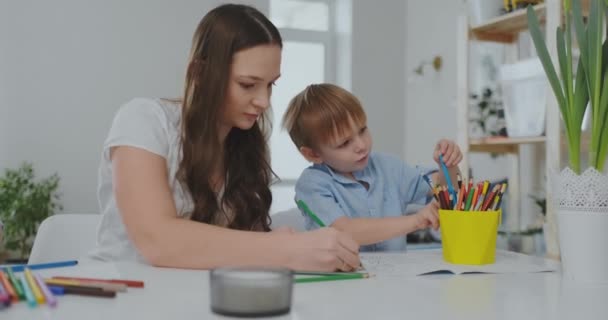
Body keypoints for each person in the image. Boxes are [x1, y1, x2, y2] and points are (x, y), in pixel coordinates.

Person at [91, 4, 360, 272]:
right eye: (247, 84)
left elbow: (236, 250)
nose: (264, 101)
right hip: (121, 295)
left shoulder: (244, 147)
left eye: (270, 84)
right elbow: (157, 240)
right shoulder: (143, 120)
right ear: (199, 72)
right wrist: (285, 249)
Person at [282, 83, 462, 251]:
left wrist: (449, 165)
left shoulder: (388, 166)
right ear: (313, 154)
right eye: (345, 143)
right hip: (340, 280)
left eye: (362, 130)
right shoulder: (312, 184)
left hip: (396, 277)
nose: (361, 145)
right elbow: (345, 231)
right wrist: (415, 221)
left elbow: (446, 189)